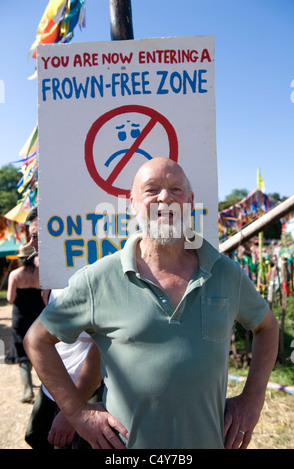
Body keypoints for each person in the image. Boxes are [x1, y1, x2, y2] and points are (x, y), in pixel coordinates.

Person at [24, 157, 279, 449]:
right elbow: (37, 340)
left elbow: (267, 328)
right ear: (132, 204)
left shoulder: (226, 272)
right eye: (151, 189)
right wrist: (78, 413)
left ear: (190, 201)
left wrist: (252, 400)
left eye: (176, 189)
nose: (165, 197)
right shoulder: (99, 279)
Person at [24, 207, 103, 449]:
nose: (30, 243)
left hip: (87, 388)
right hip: (54, 385)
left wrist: (74, 410)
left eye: (36, 235)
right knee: (35, 436)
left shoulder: (90, 277)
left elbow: (102, 347)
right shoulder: (53, 279)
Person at [5, 243, 45, 403]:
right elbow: (45, 294)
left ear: (20, 259)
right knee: (40, 347)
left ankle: (28, 389)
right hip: (38, 314)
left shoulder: (15, 274)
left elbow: (10, 298)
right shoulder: (41, 273)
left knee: (21, 348)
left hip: (20, 316)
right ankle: (46, 387)